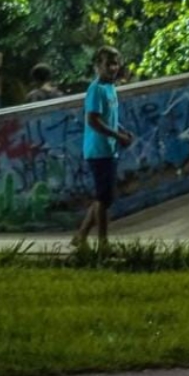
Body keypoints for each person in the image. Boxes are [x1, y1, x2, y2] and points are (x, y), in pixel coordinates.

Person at [72, 46, 134, 250]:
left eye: (115, 63)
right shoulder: (96, 89)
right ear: (98, 65)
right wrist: (118, 136)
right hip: (98, 150)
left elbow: (109, 118)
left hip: (109, 149)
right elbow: (93, 121)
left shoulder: (110, 88)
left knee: (104, 197)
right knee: (104, 198)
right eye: (108, 64)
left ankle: (81, 236)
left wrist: (122, 132)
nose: (113, 68)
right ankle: (102, 242)